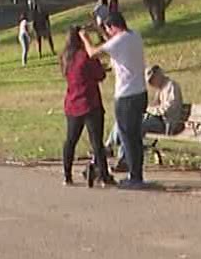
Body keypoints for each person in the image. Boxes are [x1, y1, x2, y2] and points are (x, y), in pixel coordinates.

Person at [82, 10, 149, 188]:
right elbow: (111, 40)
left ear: (113, 27)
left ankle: (134, 177)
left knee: (127, 137)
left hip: (126, 96)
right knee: (136, 136)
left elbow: (92, 53)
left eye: (108, 29)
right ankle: (138, 174)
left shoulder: (118, 41)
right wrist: (100, 29)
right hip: (141, 93)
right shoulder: (134, 35)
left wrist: (84, 37)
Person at [61, 23, 112, 186]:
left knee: (70, 140)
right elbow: (100, 75)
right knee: (96, 141)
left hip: (72, 103)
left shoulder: (65, 57)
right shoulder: (86, 56)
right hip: (90, 102)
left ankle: (67, 175)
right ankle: (104, 176)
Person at [145, 66, 188, 134]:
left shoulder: (171, 86)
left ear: (158, 74)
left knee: (141, 125)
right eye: (149, 82)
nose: (151, 84)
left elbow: (168, 109)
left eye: (152, 79)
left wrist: (150, 110)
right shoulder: (160, 89)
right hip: (160, 121)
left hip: (167, 124)